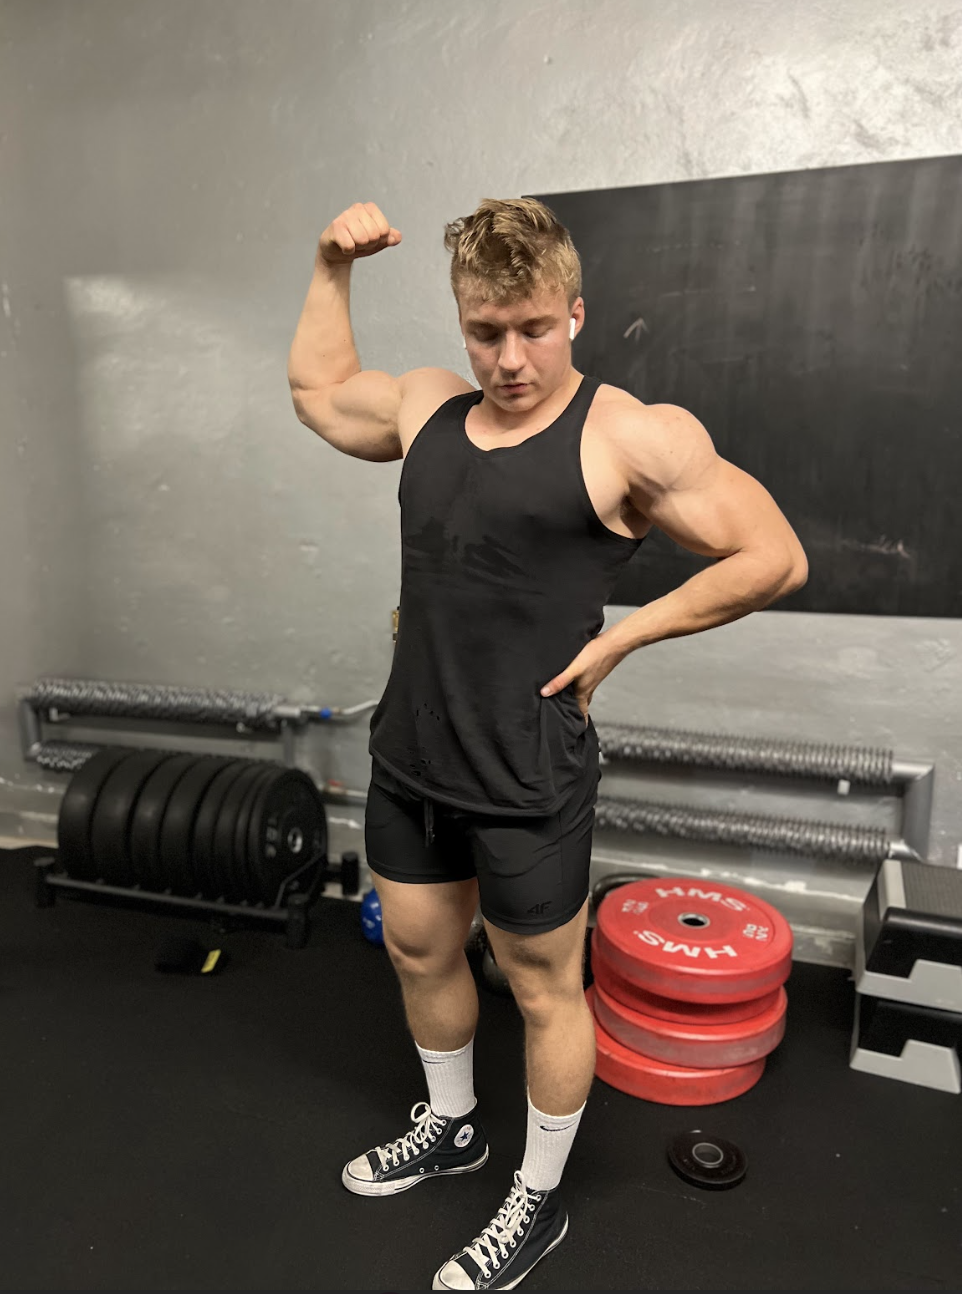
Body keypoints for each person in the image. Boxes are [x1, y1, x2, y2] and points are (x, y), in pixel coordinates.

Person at [287, 198, 808, 1289]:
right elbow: (319, 392)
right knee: (419, 949)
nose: (510, 358)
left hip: (528, 769)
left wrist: (622, 638)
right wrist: (331, 264)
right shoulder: (429, 406)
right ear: (461, 323)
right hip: (411, 752)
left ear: (574, 313)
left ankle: (536, 1195)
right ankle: (450, 1124)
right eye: (486, 332)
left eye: (533, 327)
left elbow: (772, 555)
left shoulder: (630, 435)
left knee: (541, 988)